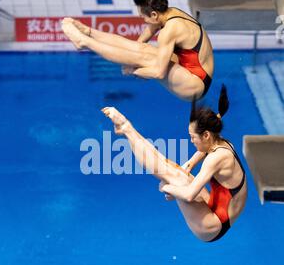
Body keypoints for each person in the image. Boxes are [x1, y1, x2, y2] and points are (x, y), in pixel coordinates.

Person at [102, 86, 247, 242]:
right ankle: (127, 129)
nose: (191, 141)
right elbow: (201, 153)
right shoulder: (221, 143)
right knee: (174, 170)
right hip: (219, 211)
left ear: (206, 135)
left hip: (212, 226)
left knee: (173, 175)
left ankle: (126, 128)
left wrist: (166, 187)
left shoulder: (216, 159)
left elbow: (190, 195)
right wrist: (189, 165)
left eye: (193, 137)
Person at [61, 0, 214, 101]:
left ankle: (85, 42)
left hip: (195, 86)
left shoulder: (169, 31)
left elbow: (158, 73)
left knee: (148, 60)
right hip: (191, 69)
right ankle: (88, 32)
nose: (142, 19)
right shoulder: (169, 12)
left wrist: (133, 70)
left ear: (154, 14)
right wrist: (132, 58)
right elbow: (140, 45)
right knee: (143, 50)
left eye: (143, 17)